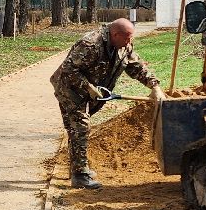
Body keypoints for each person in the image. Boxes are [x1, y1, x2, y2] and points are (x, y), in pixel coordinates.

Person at [50, 18, 164, 190]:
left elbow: (137, 68)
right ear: (115, 34)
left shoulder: (123, 46)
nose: (129, 41)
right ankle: (79, 175)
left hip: (90, 92)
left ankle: (78, 168)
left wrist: (154, 87)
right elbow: (68, 69)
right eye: (127, 38)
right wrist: (88, 87)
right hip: (69, 89)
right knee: (80, 126)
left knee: (76, 128)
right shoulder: (90, 44)